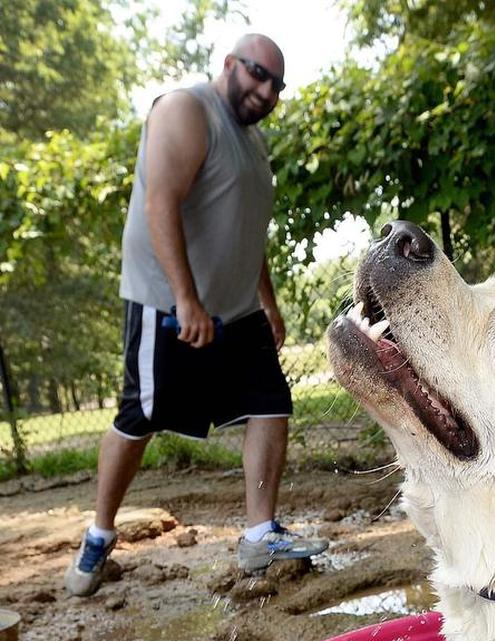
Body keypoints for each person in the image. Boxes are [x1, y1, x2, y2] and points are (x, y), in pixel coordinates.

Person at [64, 32, 327, 598]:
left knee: (270, 403)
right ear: (230, 64)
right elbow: (160, 201)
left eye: (277, 84)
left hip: (237, 310)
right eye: (258, 73)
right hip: (168, 305)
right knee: (139, 419)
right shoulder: (186, 109)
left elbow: (246, 229)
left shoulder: (253, 141)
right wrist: (186, 298)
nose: (266, 90)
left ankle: (260, 532)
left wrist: (268, 300)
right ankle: (99, 534)